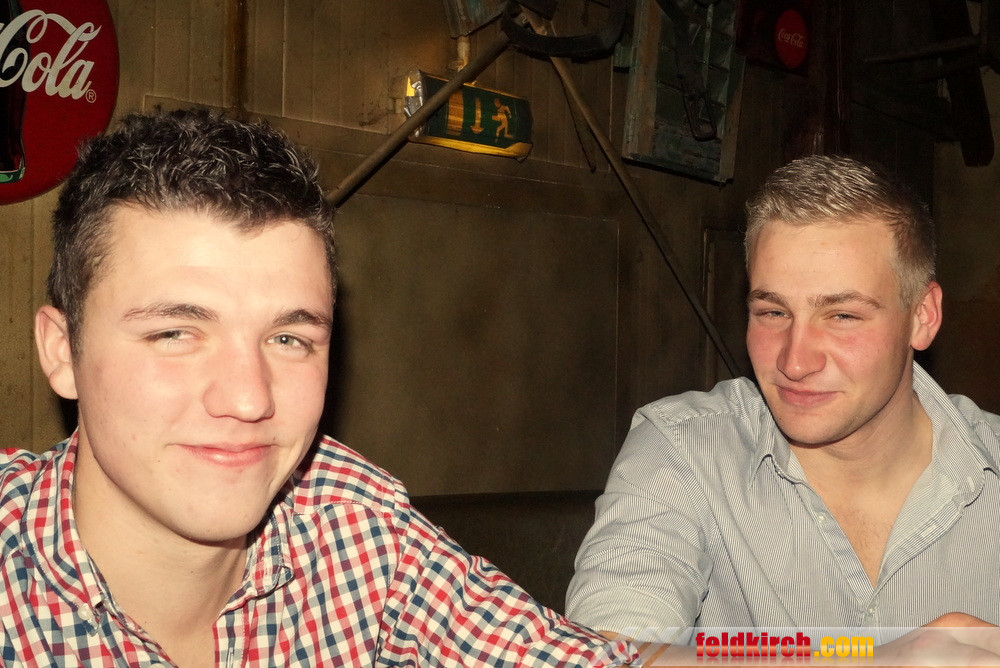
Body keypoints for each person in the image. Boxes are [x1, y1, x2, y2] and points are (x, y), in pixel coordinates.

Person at [0, 108, 637, 667]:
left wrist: (706, 646)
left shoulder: (349, 520)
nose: (250, 400)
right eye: (175, 333)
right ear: (61, 351)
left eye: (288, 338)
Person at [567, 155, 1000, 662]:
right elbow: (605, 656)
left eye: (842, 315)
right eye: (773, 312)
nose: (794, 362)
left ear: (922, 316)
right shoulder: (682, 448)